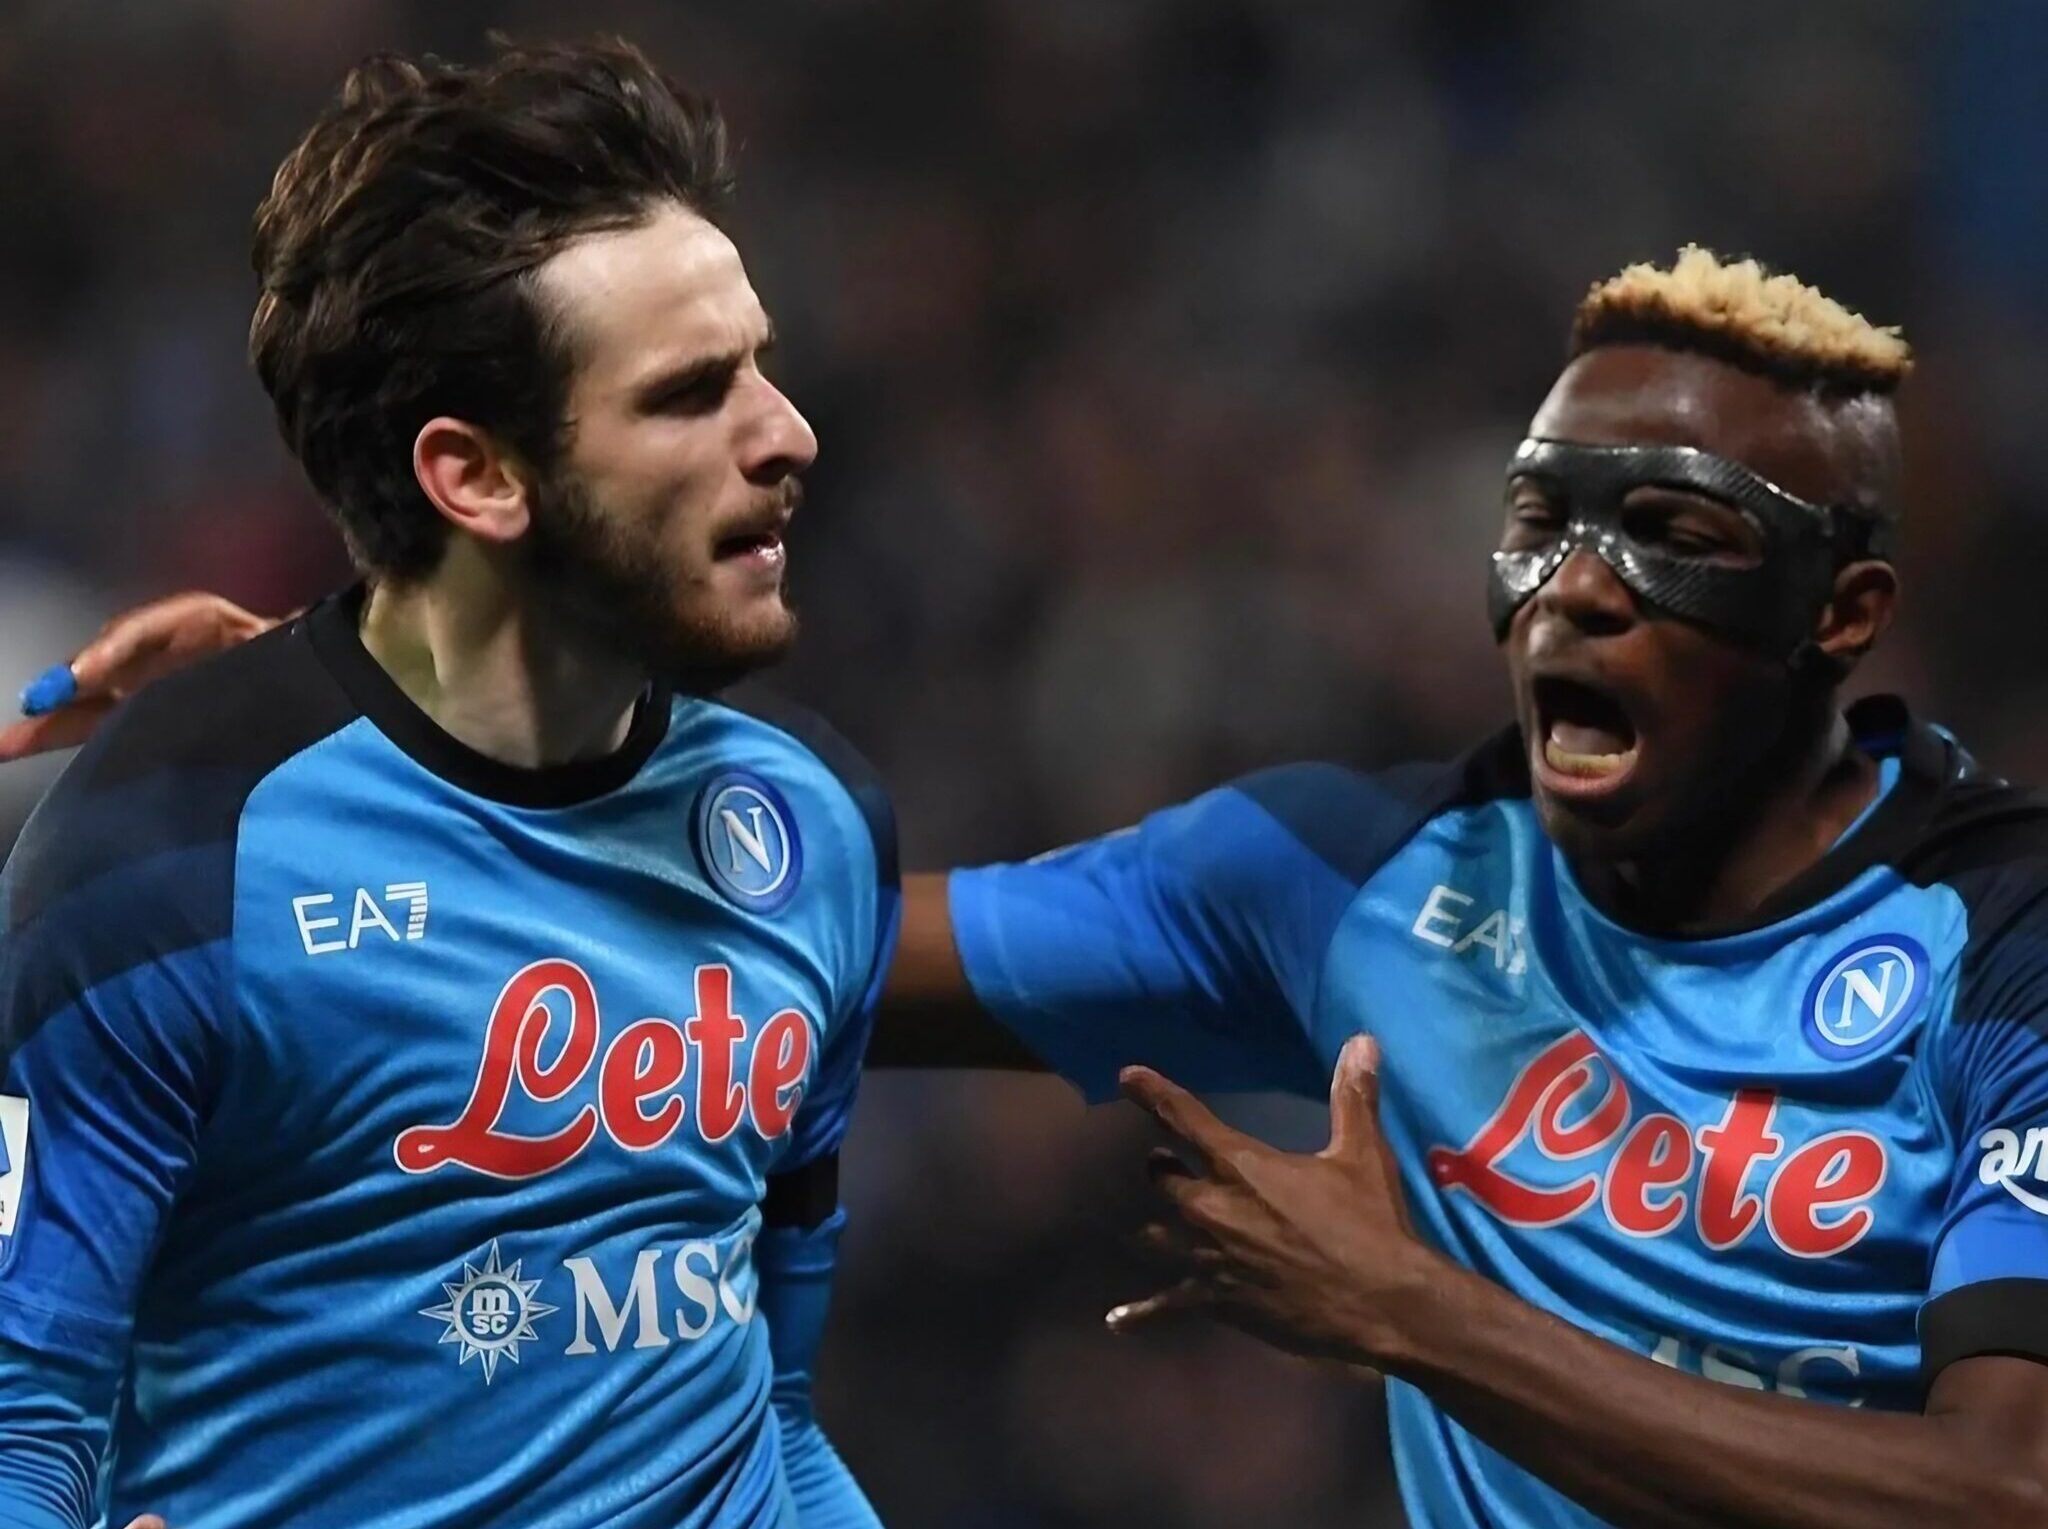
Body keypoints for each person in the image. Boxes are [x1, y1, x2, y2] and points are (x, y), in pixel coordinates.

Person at [19, 251, 2048, 1522]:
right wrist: (361, 723)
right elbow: (732, 945)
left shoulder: (2004, 949)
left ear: (1843, 608)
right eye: (1539, 523)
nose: (1577, 586)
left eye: (1673, 533)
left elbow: (2003, 1490)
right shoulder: (1347, 878)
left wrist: (1417, 1317)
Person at [0, 39, 892, 1529]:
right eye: (688, 395)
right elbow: (23, 1418)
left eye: (763, 367)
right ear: (474, 475)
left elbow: (778, 1412)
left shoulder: (814, 826)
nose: (787, 435)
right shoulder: (165, 861)